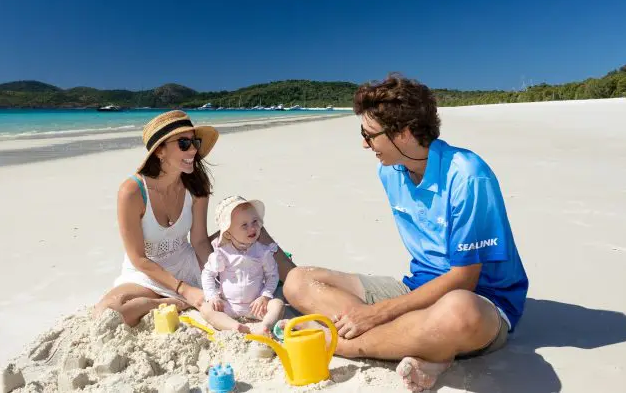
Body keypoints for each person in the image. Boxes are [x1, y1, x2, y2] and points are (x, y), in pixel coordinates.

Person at [282, 75, 529, 392]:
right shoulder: (389, 170)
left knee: (458, 311)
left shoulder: (467, 175)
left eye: (369, 135)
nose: (364, 144)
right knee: (298, 281)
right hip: (417, 289)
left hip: (480, 301)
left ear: (404, 133)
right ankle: (424, 348)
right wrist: (374, 313)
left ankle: (344, 344)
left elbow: (464, 279)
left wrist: (374, 315)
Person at [93, 110, 295, 326]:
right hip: (146, 274)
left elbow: (198, 241)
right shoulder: (132, 192)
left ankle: (297, 283)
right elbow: (138, 258)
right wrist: (184, 291)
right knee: (107, 312)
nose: (193, 150)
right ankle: (168, 302)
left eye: (194, 142)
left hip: (188, 262)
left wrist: (220, 275)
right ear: (160, 150)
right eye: (183, 143)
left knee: (253, 231)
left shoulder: (196, 183)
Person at [199, 196, 285, 336]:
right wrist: (213, 296)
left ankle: (265, 326)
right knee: (205, 308)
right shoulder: (222, 253)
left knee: (278, 304)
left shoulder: (263, 252)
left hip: (256, 306)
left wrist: (265, 296)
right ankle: (234, 326)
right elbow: (208, 273)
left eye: (254, 221)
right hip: (229, 305)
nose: (252, 228)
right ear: (228, 232)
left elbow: (272, 275)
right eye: (244, 225)